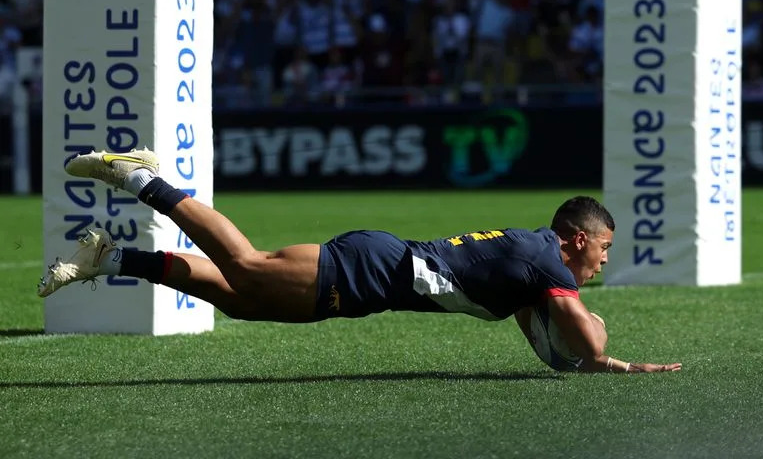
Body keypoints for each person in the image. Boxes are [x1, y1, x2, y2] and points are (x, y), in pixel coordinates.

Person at [39, 149, 682, 375]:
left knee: (242, 298)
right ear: (576, 239)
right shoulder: (550, 263)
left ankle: (111, 254)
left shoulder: (539, 262)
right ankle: (142, 180)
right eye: (602, 249)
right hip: (370, 271)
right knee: (246, 265)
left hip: (373, 275)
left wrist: (578, 340)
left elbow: (548, 332)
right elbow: (578, 345)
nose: (602, 262)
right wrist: (611, 361)